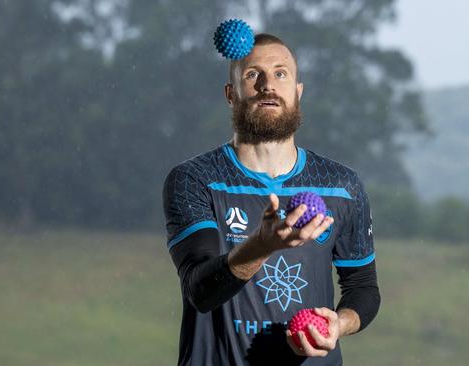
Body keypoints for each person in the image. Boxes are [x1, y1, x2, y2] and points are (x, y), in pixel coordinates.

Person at [163, 33, 380, 366]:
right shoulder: (195, 179)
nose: (268, 84)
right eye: (253, 74)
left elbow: (363, 288)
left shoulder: (340, 186)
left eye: (281, 73)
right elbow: (200, 292)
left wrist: (341, 323)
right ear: (230, 94)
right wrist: (263, 245)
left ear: (297, 91)